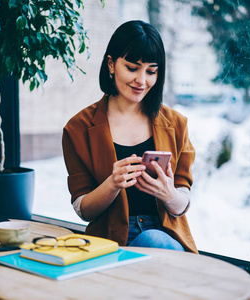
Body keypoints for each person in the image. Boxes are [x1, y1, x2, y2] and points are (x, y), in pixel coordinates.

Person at [62, 20, 197, 253]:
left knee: (153, 240)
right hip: (110, 241)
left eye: (151, 71)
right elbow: (83, 209)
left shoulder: (176, 124)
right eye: (133, 68)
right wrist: (112, 184)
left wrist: (168, 193)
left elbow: (182, 202)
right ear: (111, 64)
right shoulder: (78, 128)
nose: (142, 81)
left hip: (166, 236)